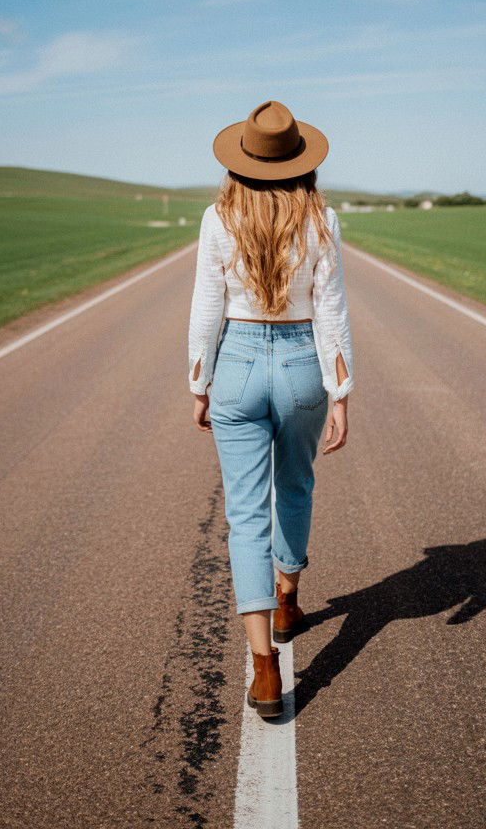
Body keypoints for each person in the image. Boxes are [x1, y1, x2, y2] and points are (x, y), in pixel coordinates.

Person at [187, 99, 355, 719]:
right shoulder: (323, 220)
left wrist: (200, 381)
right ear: (300, 164)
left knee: (244, 514)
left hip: (235, 365)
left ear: (241, 163)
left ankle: (264, 671)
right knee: (296, 484)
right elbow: (331, 309)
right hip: (302, 363)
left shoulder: (216, 218)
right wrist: (341, 393)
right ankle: (288, 599)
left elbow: (207, 307)